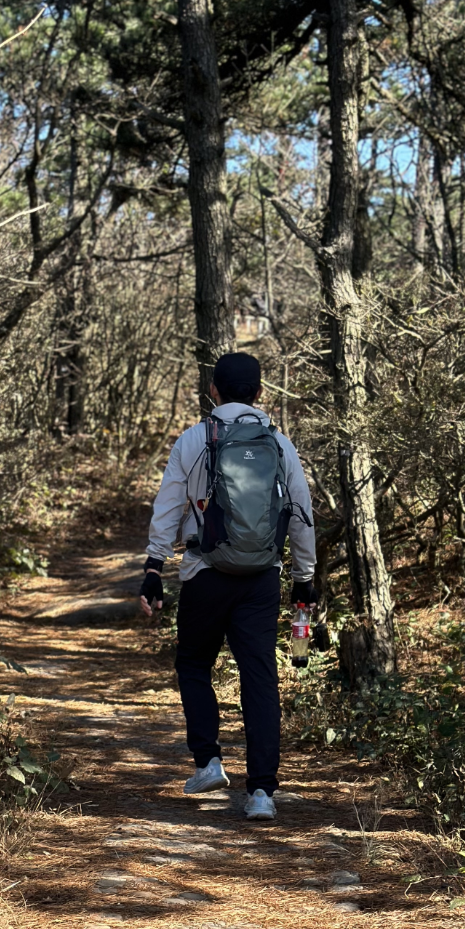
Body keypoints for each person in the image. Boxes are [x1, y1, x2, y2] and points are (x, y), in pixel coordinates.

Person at [139, 352, 317, 821]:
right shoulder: (279, 442)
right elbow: (300, 512)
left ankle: (209, 762)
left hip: (205, 572)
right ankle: (261, 793)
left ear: (213, 390)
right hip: (261, 579)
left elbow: (168, 506)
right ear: (260, 393)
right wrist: (304, 577)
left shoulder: (195, 439)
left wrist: (154, 566)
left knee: (194, 664)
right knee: (259, 677)